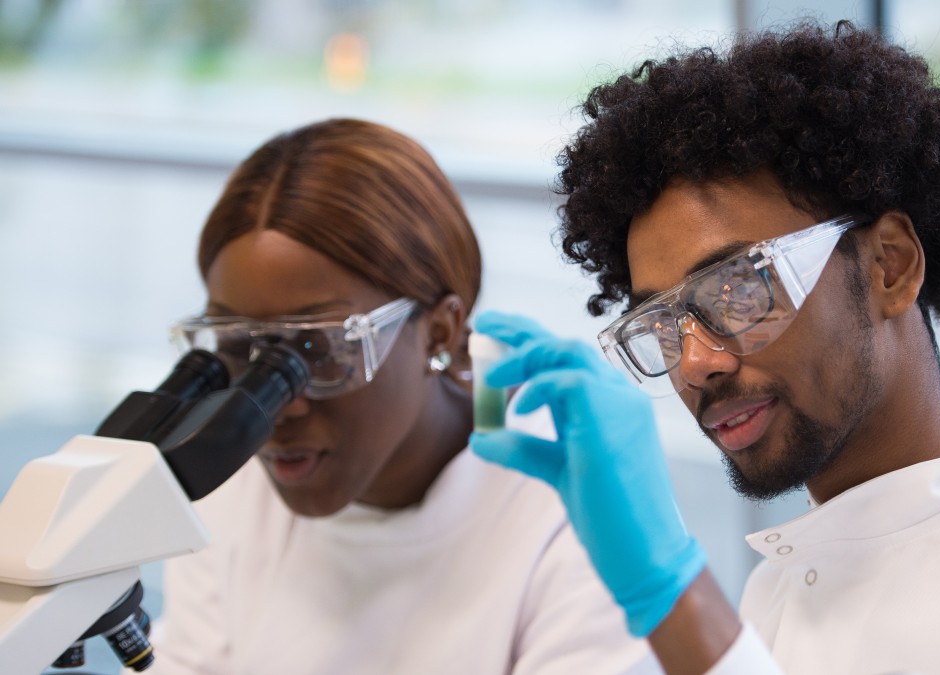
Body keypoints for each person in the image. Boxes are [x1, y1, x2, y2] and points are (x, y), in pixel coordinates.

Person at [468, 20, 940, 674]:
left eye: (737, 290)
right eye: (660, 324)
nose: (695, 362)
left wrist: (671, 592)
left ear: (890, 266)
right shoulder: (776, 591)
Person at [152, 118, 659, 674]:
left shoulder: (571, 509)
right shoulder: (231, 477)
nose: (273, 410)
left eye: (315, 350)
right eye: (236, 347)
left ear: (439, 331)